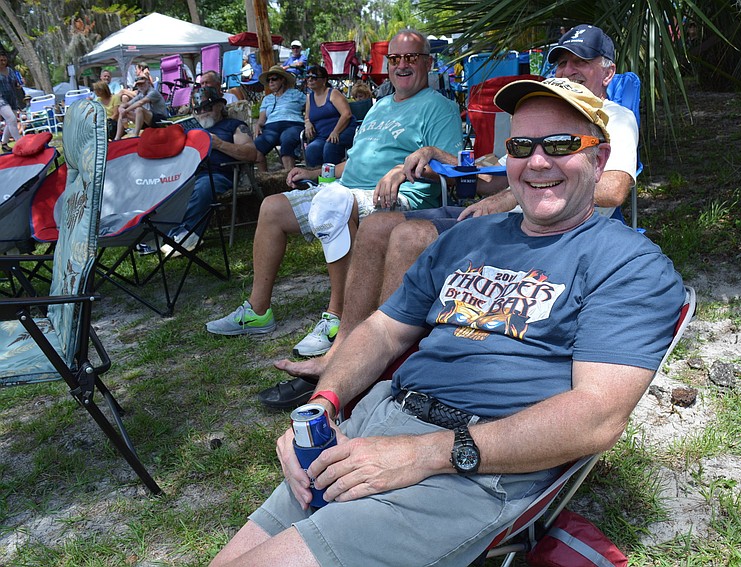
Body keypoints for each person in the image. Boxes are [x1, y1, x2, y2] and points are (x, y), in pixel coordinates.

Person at [208, 76, 685, 567]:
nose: (538, 161)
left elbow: (596, 417)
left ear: (599, 159)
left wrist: (426, 454)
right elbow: (382, 330)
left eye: (561, 144)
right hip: (374, 423)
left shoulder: (628, 265)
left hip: (475, 467)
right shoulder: (467, 238)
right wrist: (321, 407)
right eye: (521, 145)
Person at [274, 23, 640, 393]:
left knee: (409, 235)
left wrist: (507, 197)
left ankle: (383, 370)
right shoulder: (544, 115)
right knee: (376, 226)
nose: (567, 71)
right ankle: (344, 350)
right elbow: (488, 176)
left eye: (581, 62)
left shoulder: (614, 117)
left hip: (541, 233)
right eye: (561, 63)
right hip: (500, 217)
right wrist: (435, 156)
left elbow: (615, 187)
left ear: (608, 71)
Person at [205, 29, 462, 361]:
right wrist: (314, 173)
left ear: (427, 62)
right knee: (272, 207)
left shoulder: (439, 107)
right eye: (395, 58)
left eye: (411, 57)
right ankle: (258, 311)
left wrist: (404, 169)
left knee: (337, 203)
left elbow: (454, 170)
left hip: (398, 199)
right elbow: (354, 162)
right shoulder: (379, 106)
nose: (402, 65)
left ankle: (338, 319)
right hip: (345, 190)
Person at [149, 87, 258, 256]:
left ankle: (184, 235)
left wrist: (219, 144)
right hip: (186, 174)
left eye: (207, 107)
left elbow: (251, 154)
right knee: (158, 186)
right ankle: (159, 235)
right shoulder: (190, 129)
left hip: (217, 173)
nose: (202, 112)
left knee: (203, 187)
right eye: (197, 110)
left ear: (220, 106)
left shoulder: (234, 126)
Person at [253, 64, 306, 173]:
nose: (271, 82)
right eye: (269, 80)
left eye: (274, 79)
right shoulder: (267, 99)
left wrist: (308, 121)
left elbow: (311, 105)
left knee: (287, 140)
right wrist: (258, 125)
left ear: (282, 80)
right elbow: (262, 118)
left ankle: (290, 179)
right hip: (271, 128)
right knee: (256, 147)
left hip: (293, 124)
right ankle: (266, 180)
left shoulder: (296, 94)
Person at [303, 66, 356, 167]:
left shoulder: (333, 93)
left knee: (330, 147)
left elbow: (346, 114)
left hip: (342, 131)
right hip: (322, 136)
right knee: (311, 149)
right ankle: (316, 178)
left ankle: (332, 178)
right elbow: (307, 117)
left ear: (324, 80)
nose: (310, 80)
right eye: (308, 77)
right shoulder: (309, 97)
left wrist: (336, 131)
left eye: (314, 77)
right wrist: (308, 123)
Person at [113, 75, 168, 141]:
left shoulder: (153, 92)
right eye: (139, 85)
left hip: (160, 120)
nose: (141, 86)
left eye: (142, 84)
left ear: (148, 82)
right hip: (146, 121)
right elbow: (127, 104)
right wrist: (121, 108)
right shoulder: (141, 94)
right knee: (123, 113)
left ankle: (135, 135)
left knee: (139, 109)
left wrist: (126, 110)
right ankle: (117, 138)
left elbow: (140, 103)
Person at [0, 53, 24, 153]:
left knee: (10, 122)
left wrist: (20, 83)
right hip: (1, 99)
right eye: (0, 60)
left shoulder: (10, 71)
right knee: (12, 119)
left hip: (12, 98)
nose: (2, 62)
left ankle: (4, 144)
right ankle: (20, 143)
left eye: (4, 60)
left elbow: (16, 84)